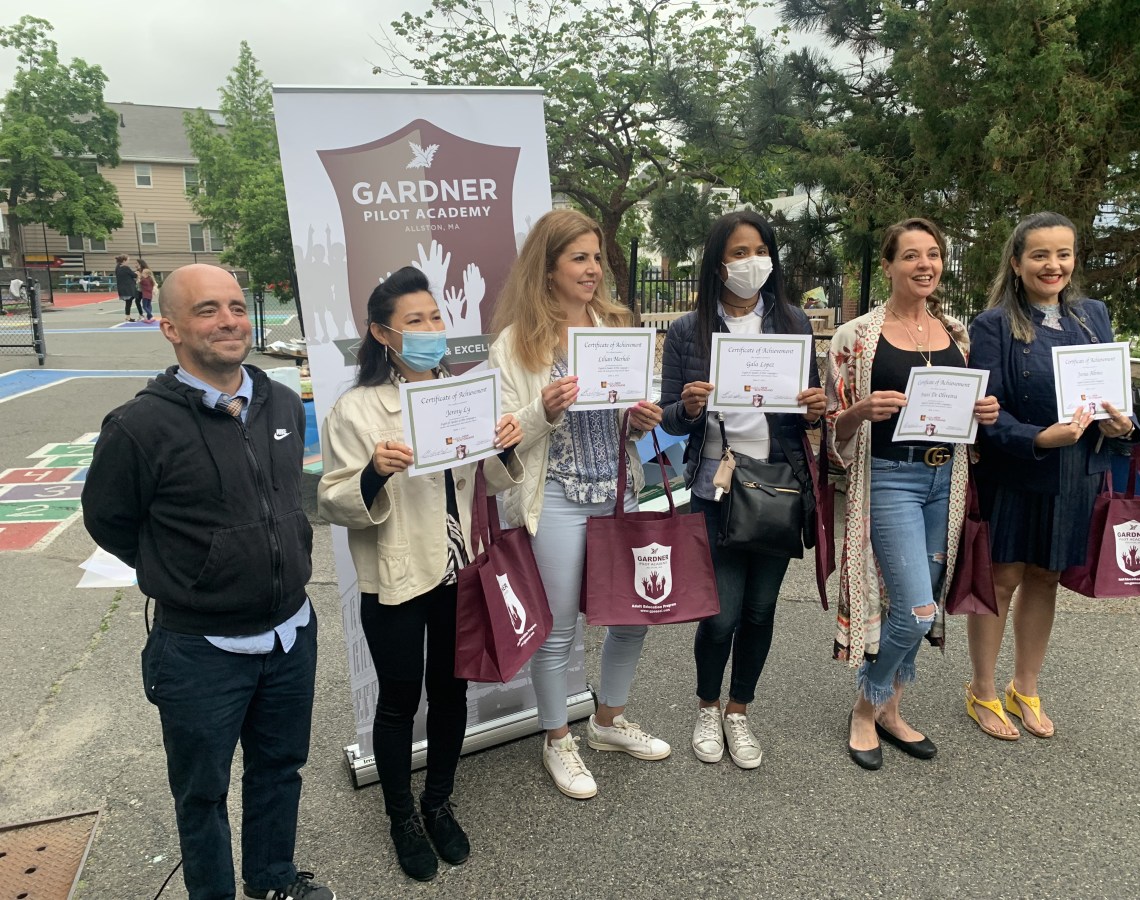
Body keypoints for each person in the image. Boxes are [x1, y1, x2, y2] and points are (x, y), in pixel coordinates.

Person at [81, 264, 333, 900]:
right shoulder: (138, 427)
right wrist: (187, 569)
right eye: (207, 311)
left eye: (236, 306)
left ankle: (273, 880)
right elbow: (108, 520)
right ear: (169, 326)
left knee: (279, 769)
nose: (229, 321)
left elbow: (282, 495)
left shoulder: (277, 399)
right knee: (203, 794)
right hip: (199, 652)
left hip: (288, 636)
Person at [318, 267, 523, 883]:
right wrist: (375, 472)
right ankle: (401, 816)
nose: (432, 329)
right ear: (383, 334)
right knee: (400, 701)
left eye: (436, 317)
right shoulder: (356, 410)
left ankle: (438, 802)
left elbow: (482, 481)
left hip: (459, 570)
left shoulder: (462, 392)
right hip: (398, 574)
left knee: (453, 691)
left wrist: (505, 446)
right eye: (415, 321)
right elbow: (332, 500)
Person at [487, 208, 669, 800]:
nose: (593, 269)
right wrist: (544, 410)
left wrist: (642, 422)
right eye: (579, 258)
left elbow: (635, 416)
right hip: (559, 496)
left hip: (619, 490)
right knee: (558, 628)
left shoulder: (615, 325)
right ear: (548, 266)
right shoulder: (516, 344)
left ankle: (609, 721)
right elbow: (505, 433)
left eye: (596, 257)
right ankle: (557, 736)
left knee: (632, 615)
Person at [825, 217, 1000, 770]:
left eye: (933, 254)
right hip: (891, 479)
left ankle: (893, 712)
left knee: (918, 602)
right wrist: (858, 410)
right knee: (917, 610)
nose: (924, 265)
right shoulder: (855, 337)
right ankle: (864, 707)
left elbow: (960, 415)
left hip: (944, 480)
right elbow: (832, 428)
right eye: (910, 256)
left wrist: (983, 415)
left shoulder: (958, 335)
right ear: (888, 265)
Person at [658, 210, 826, 769]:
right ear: (716, 263)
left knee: (759, 610)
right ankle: (707, 705)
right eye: (736, 252)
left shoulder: (793, 322)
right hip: (718, 485)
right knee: (722, 613)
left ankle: (739, 710)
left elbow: (811, 405)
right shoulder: (689, 330)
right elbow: (669, 417)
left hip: (779, 484)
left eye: (758, 250)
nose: (749, 261)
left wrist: (814, 411)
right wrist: (687, 405)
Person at [965, 211, 1140, 740]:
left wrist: (1122, 423)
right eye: (1040, 255)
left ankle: (1026, 685)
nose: (1053, 265)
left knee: (1048, 576)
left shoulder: (1093, 315)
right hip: (1020, 469)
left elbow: (1119, 397)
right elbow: (988, 412)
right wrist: (1039, 438)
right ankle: (983, 691)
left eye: (1063, 254)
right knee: (1004, 576)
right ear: (1017, 263)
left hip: (1079, 472)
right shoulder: (993, 324)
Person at [115, 254, 139, 321]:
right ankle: (128, 317)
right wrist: (137, 273)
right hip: (128, 288)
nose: (129, 261)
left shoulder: (117, 267)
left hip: (122, 287)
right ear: (124, 260)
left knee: (128, 302)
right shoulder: (125, 268)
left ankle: (127, 316)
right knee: (129, 302)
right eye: (128, 260)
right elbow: (134, 275)